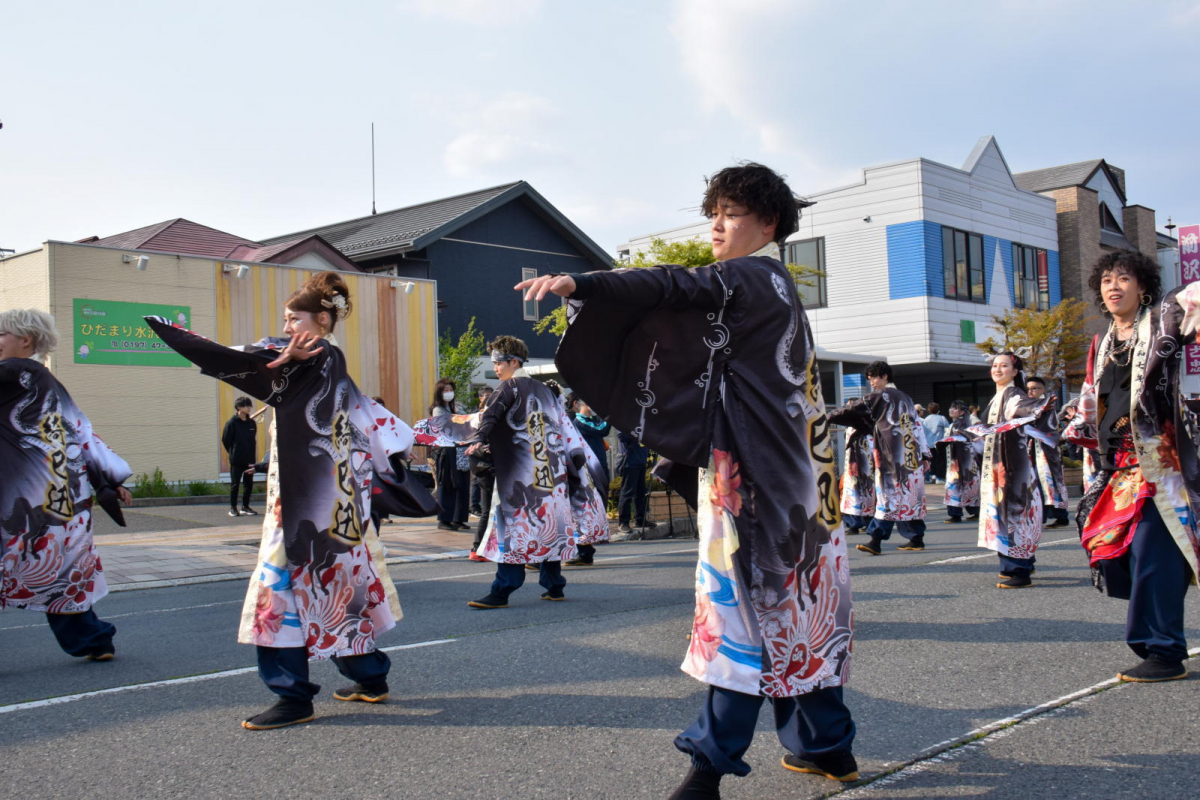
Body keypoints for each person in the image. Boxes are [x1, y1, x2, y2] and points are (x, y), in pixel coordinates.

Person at [524, 162, 858, 796]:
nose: (717, 224)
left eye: (731, 213)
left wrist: (584, 282)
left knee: (743, 616)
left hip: (758, 477)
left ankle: (707, 770)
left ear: (769, 223)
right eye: (714, 212)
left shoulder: (750, 274)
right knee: (801, 610)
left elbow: (675, 286)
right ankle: (829, 749)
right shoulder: (776, 287)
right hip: (799, 478)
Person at [146, 272, 437, 729]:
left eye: (294, 318)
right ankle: (371, 677)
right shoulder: (327, 362)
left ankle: (292, 695)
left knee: (279, 595)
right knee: (338, 592)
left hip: (303, 506)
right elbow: (375, 422)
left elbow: (235, 358)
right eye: (284, 319)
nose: (286, 327)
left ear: (321, 320)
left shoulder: (311, 357)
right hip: (336, 503)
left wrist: (179, 335)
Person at [1064, 249, 1200, 682]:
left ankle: (1163, 650)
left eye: (1124, 278)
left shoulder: (1161, 320)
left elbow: (1188, 299)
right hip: (1115, 466)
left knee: (1151, 550)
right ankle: (1160, 632)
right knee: (1111, 551)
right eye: (1106, 280)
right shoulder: (1102, 341)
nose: (1114, 286)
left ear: (1142, 286)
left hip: (1158, 461)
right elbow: (1094, 398)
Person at [416, 336, 608, 608]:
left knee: (512, 529)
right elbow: (567, 430)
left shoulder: (511, 387)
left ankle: (502, 589)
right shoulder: (545, 391)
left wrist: (475, 438)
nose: (495, 367)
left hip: (522, 476)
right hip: (551, 474)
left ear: (513, 362)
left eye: (498, 362)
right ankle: (554, 586)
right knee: (548, 526)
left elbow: (489, 417)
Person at [0, 309, 133, 662]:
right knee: (58, 572)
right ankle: (94, 640)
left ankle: (93, 638)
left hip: (19, 497)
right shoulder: (46, 381)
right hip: (59, 498)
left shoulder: (17, 372)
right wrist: (108, 478)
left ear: (24, 340)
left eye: (0, 334)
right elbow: (80, 432)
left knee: (43, 567)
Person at [830, 361, 930, 555]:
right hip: (911, 456)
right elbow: (918, 428)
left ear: (884, 376)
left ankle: (875, 540)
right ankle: (916, 538)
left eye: (874, 378)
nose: (872, 383)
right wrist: (925, 454)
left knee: (889, 498)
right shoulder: (906, 398)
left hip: (891, 457)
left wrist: (827, 417)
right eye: (870, 379)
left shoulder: (882, 396)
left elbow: (854, 409)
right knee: (910, 498)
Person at [976, 351, 1054, 589]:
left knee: (1013, 514)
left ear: (1015, 371)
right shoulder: (998, 395)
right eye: (995, 366)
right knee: (1007, 513)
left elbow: (1022, 408)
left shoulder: (1012, 394)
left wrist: (1039, 407)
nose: (997, 370)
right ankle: (1020, 564)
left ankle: (1018, 570)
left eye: (1004, 366)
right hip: (1000, 464)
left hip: (1011, 466)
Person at [566, 392, 612, 567]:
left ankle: (586, 549)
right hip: (588, 472)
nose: (591, 407)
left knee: (592, 510)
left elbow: (602, 427)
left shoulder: (588, 420)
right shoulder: (579, 421)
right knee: (585, 511)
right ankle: (584, 550)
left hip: (596, 469)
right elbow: (603, 429)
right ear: (576, 404)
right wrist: (611, 414)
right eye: (588, 403)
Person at [1024, 377, 1070, 528]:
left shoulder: (1048, 406)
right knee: (1035, 483)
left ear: (1042, 390)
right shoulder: (1026, 406)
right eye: (1029, 388)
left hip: (1046, 451)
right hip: (1032, 450)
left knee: (1052, 481)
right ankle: (1040, 517)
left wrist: (1027, 428)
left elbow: (1049, 429)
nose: (1031, 391)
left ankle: (1060, 517)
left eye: (1035, 388)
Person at [430, 378, 471, 532]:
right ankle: (444, 519)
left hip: (462, 450)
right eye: (445, 390)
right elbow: (446, 426)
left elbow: (468, 421)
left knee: (463, 484)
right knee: (448, 484)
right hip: (447, 451)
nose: (449, 393)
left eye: (450, 390)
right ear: (439, 393)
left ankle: (459, 518)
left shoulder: (457, 407)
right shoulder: (438, 409)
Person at [941, 400, 981, 523]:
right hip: (965, 460)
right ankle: (974, 511)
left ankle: (955, 514)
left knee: (954, 486)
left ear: (962, 412)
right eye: (951, 408)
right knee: (969, 486)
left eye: (955, 408)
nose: (951, 410)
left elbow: (970, 436)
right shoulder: (961, 423)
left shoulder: (960, 423)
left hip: (960, 460)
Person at [222, 396, 259, 517]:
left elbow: (252, 440)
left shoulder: (252, 422)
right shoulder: (231, 423)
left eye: (249, 406)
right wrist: (233, 452)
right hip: (236, 459)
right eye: (245, 405)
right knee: (235, 484)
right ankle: (233, 508)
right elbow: (226, 440)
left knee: (248, 484)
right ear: (238, 407)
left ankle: (245, 506)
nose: (248, 408)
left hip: (249, 459)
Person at [615, 430, 655, 534]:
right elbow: (621, 436)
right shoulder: (623, 421)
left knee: (641, 493)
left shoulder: (641, 421)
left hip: (641, 460)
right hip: (630, 462)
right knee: (627, 493)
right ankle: (623, 522)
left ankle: (640, 519)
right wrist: (638, 433)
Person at [839, 426, 875, 534]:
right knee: (856, 494)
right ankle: (860, 523)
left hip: (864, 463)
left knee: (862, 493)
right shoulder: (854, 428)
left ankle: (863, 523)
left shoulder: (867, 427)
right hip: (856, 463)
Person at [469, 387, 494, 517]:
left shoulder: (496, 415)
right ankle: (474, 506)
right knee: (476, 482)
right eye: (486, 395)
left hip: (490, 456)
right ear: (480, 398)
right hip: (478, 454)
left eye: (491, 395)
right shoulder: (475, 415)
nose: (488, 398)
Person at [922, 402, 949, 484]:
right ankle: (939, 478)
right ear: (938, 409)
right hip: (939, 443)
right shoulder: (942, 418)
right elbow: (947, 430)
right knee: (940, 460)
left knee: (932, 460)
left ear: (928, 410)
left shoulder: (925, 420)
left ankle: (932, 475)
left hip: (928, 443)